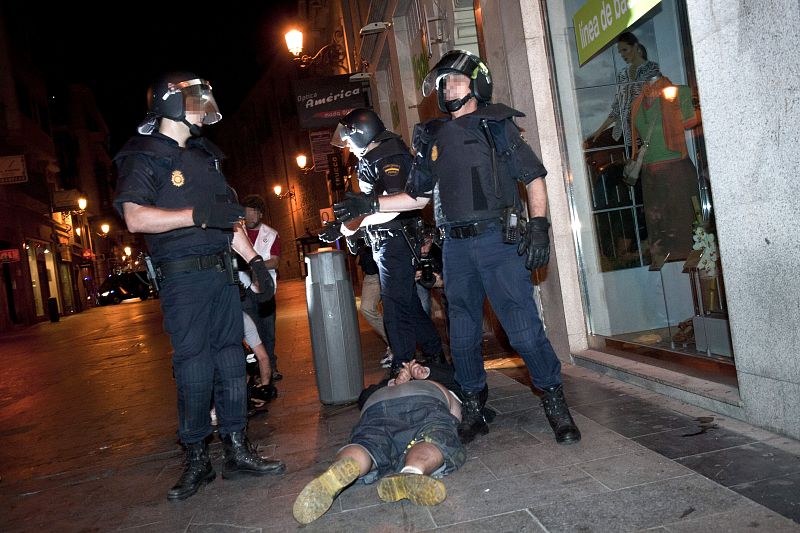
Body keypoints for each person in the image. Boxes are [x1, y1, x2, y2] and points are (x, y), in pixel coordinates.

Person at [332, 50, 581, 446]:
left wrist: (539, 227)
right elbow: (417, 197)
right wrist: (370, 204)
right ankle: (474, 407)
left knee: (522, 329)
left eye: (457, 81)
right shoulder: (431, 136)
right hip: (457, 249)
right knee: (462, 335)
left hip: (498, 242)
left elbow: (533, 177)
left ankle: (554, 400)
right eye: (444, 82)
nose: (449, 88)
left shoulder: (496, 125)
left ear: (477, 84)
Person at [113, 72, 285, 502]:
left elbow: (229, 220)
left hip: (223, 275)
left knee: (231, 361)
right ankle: (195, 458)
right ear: (171, 105)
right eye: (194, 101)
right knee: (194, 366)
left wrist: (255, 262)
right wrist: (196, 215)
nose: (203, 108)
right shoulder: (144, 155)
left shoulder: (208, 157)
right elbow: (135, 217)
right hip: (182, 277)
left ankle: (237, 448)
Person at [318, 108, 444, 374]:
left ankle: (403, 364)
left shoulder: (389, 155)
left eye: (350, 140)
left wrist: (348, 228)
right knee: (407, 303)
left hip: (396, 240)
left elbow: (397, 205)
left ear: (363, 133)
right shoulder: (373, 156)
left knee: (395, 307)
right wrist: (350, 229)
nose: (348, 146)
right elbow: (371, 207)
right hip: (387, 240)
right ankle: (435, 354)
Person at [292, 374, 465, 524]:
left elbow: (364, 397)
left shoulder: (387, 385)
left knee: (368, 444)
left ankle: (343, 466)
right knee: (434, 437)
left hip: (376, 405)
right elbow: (454, 419)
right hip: (424, 401)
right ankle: (412, 471)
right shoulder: (442, 387)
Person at [630, 72, 701, 262]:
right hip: (650, 174)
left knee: (684, 226)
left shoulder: (679, 92)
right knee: (658, 227)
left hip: (675, 170)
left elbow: (690, 122)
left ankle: (700, 268)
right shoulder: (638, 102)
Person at [587, 32, 661, 147]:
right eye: (620, 52)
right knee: (637, 161)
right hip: (630, 133)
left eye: (624, 50)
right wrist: (599, 130)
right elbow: (618, 108)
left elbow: (658, 101)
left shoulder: (652, 69)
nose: (622, 54)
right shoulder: (623, 74)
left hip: (650, 129)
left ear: (635, 47)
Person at [238, 194, 282, 381]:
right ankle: (256, 370)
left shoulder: (271, 234)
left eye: (255, 211)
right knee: (251, 331)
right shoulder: (237, 233)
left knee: (268, 331)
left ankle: (272, 367)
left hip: (265, 289)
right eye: (248, 211)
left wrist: (256, 264)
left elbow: (275, 261)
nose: (251, 215)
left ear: (260, 214)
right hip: (245, 287)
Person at [356, 240, 393, 367]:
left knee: (393, 310)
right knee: (366, 308)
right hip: (371, 273)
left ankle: (396, 348)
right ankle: (393, 343)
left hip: (390, 267)